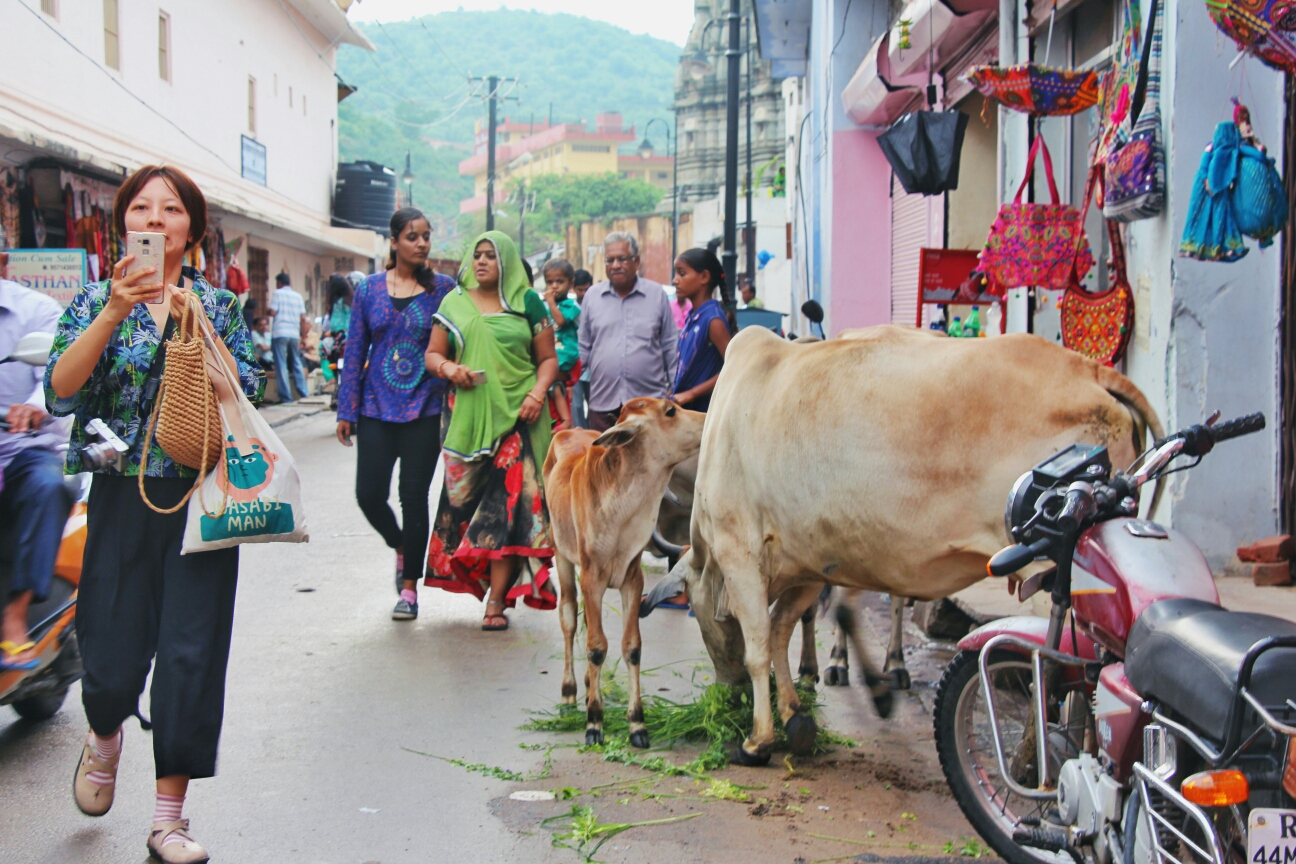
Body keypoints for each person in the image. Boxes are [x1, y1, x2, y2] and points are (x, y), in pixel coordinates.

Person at [45, 164, 263, 863]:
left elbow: (248, 393)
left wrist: (197, 326)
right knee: (107, 654)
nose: (156, 218)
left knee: (191, 655)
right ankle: (104, 732)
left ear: (193, 231)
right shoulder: (91, 302)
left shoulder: (218, 305)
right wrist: (113, 311)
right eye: (142, 207)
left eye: (172, 209)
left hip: (202, 500)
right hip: (121, 493)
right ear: (124, 225)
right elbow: (61, 391)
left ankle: (168, 821)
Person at [423, 231, 558, 631]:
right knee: (465, 506)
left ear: (508, 263)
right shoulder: (454, 302)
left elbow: (548, 359)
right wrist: (450, 369)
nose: (481, 262)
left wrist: (537, 394)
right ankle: (485, 584)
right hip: (467, 422)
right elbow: (434, 354)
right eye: (477, 255)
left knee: (507, 509)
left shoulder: (527, 302)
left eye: (491, 256)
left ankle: (496, 602)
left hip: (520, 419)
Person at [335, 208, 454, 620]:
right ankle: (401, 544)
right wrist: (346, 408)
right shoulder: (368, 290)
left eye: (425, 236)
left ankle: (409, 590)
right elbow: (355, 352)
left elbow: (460, 339)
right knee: (368, 494)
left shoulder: (444, 289)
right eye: (412, 236)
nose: (421, 243)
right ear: (394, 242)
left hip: (426, 407)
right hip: (375, 408)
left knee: (413, 497)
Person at [0, 278, 73, 671]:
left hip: (18, 450)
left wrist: (33, 407)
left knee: (49, 486)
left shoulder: (36, 310)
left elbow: (56, 377)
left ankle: (15, 615)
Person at [578, 232, 678, 432]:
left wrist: (676, 392)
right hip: (603, 403)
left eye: (622, 259)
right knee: (604, 461)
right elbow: (583, 349)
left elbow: (670, 345)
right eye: (610, 260)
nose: (615, 265)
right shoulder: (592, 297)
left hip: (649, 404)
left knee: (651, 461)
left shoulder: (656, 295)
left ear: (636, 261)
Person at [670, 248, 733, 413]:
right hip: (686, 412)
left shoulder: (713, 319)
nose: (675, 280)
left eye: (682, 274)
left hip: (704, 415)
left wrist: (691, 394)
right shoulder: (694, 316)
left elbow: (733, 367)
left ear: (704, 277)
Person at [541, 259, 580, 414]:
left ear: (571, 284)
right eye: (550, 282)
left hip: (566, 353)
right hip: (553, 352)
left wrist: (550, 302)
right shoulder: (546, 306)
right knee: (553, 388)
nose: (554, 286)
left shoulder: (572, 306)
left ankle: (565, 419)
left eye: (559, 281)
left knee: (553, 381)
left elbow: (560, 321)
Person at [268, 271, 309, 403]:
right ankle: (304, 393)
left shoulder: (277, 293)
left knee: (281, 365)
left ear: (279, 283)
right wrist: (304, 337)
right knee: (296, 362)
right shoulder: (298, 296)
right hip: (294, 333)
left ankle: (286, 398)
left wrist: (267, 311)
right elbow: (303, 318)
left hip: (280, 332)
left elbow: (273, 312)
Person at [570, 269, 593, 428]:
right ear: (573, 288)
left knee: (595, 405)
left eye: (587, 289)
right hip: (575, 364)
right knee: (576, 406)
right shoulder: (569, 310)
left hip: (594, 366)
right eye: (580, 290)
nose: (584, 293)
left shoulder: (598, 307)